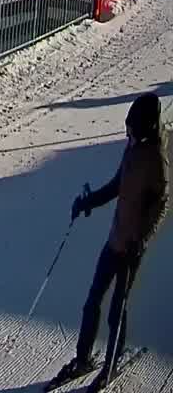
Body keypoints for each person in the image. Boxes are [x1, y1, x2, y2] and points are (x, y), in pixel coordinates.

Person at [54, 93, 166, 388]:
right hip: (114, 239)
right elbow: (117, 185)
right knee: (92, 301)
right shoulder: (131, 150)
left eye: (131, 126)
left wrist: (140, 239)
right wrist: (88, 202)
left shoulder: (155, 161)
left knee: (118, 307)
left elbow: (160, 206)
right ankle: (83, 359)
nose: (127, 131)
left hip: (131, 246)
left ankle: (111, 365)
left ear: (145, 127)